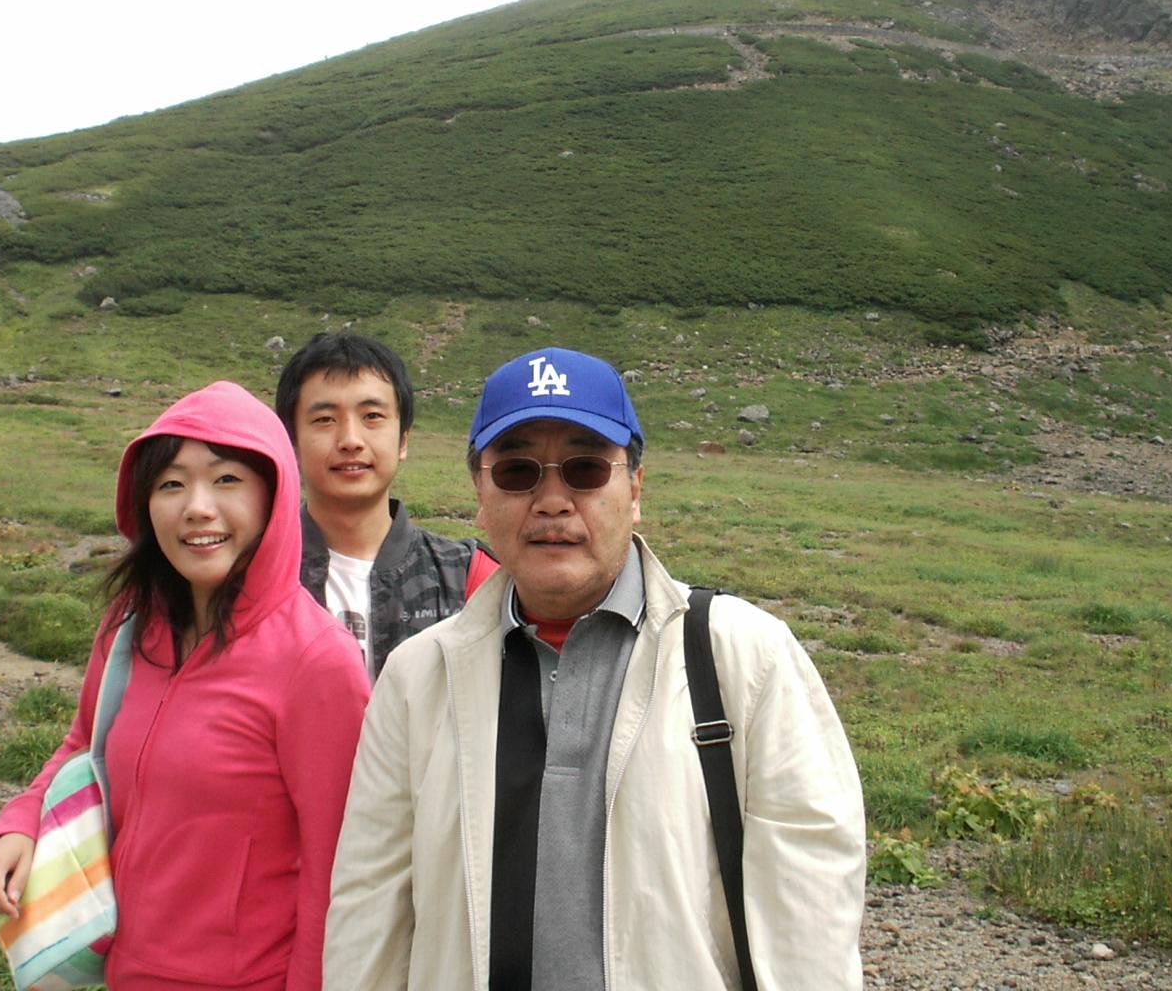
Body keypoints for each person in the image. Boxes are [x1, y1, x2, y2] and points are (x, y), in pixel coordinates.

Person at [325, 347, 865, 991]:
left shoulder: (746, 658)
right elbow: (370, 911)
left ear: (634, 490)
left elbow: (810, 912)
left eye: (585, 470)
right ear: (480, 495)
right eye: (518, 472)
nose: (552, 501)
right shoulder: (417, 680)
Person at [0, 380, 370, 990]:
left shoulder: (316, 663)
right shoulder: (131, 626)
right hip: (126, 973)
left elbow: (336, 875)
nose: (197, 508)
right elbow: (83, 743)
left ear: (275, 494)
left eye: (226, 479)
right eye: (171, 484)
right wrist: (21, 820)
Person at [275, 332, 495, 680]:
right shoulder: (255, 572)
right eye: (325, 419)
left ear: (403, 439)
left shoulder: (469, 577)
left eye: (372, 416)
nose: (350, 440)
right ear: (293, 443)